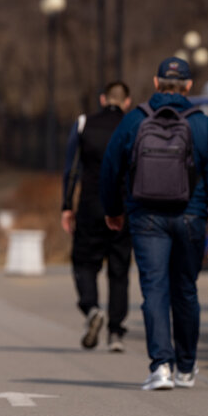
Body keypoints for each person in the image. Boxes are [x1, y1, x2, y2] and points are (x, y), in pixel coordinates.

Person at [100, 57, 208, 391]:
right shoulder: (201, 125)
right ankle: (186, 367)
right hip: (191, 217)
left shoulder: (135, 120)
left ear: (157, 83)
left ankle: (161, 366)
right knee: (186, 290)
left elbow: (110, 167)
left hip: (146, 218)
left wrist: (114, 210)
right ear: (188, 87)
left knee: (154, 290)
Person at [61, 81, 133, 352]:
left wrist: (67, 206)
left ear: (103, 99)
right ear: (127, 102)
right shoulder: (133, 124)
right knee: (119, 269)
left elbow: (72, 169)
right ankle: (116, 332)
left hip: (91, 206)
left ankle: (92, 309)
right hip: (124, 208)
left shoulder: (83, 124)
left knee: (84, 263)